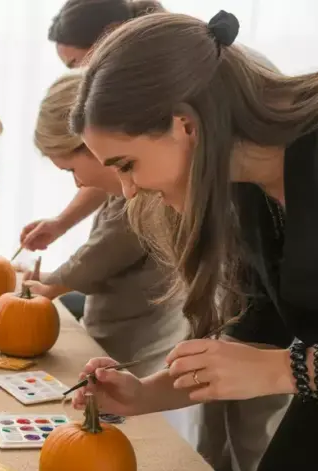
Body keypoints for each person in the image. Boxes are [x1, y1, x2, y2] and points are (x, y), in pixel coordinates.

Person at [68, 9, 318, 471]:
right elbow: (256, 334)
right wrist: (144, 394)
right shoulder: (248, 189)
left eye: (125, 165)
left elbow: (275, 360)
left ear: (185, 125)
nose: (128, 192)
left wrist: (286, 369)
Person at [25, 70, 190, 400]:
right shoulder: (133, 181)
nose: (78, 185)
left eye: (72, 170)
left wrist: (52, 285)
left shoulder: (145, 196)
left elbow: (103, 252)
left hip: (139, 340)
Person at [19, 0, 165, 258]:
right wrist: (61, 222)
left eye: (76, 64)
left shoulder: (152, 87)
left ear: (111, 33)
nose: (78, 75)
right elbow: (107, 171)